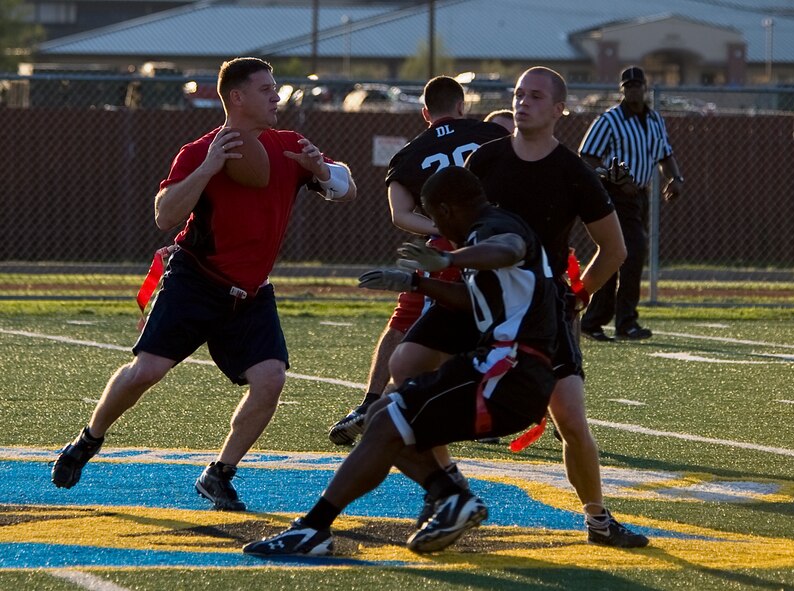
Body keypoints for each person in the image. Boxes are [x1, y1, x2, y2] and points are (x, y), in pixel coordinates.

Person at [50, 57, 357, 511]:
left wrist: (322, 169)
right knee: (147, 371)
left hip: (251, 291)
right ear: (237, 97)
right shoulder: (199, 150)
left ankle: (219, 474)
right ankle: (89, 439)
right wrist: (209, 168)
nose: (276, 95)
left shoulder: (290, 144)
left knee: (270, 380)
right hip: (197, 280)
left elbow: (347, 188)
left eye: (276, 88)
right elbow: (164, 215)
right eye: (266, 89)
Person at [244, 165, 560, 557]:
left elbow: (509, 248)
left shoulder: (491, 229)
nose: (437, 231)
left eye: (435, 218)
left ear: (446, 209)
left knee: (387, 422)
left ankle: (313, 529)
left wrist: (450, 260)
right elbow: (475, 300)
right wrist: (416, 283)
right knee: (384, 417)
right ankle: (449, 495)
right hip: (506, 371)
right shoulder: (486, 230)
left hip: (508, 372)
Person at [398, 66, 646, 547]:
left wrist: (578, 294)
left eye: (535, 96)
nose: (523, 102)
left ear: (558, 109)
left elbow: (613, 248)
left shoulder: (573, 171)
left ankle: (598, 518)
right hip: (480, 295)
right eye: (517, 94)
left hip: (537, 309)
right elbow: (452, 215)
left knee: (570, 417)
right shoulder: (485, 159)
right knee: (405, 364)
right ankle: (450, 489)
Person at [327, 76, 509, 447]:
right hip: (494, 242)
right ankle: (486, 408)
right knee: (501, 322)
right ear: (462, 106)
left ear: (425, 112)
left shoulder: (410, 153)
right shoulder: (489, 133)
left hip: (440, 248)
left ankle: (370, 404)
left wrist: (444, 230)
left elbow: (400, 215)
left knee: (405, 322)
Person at [579, 66, 685, 341]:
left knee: (619, 256)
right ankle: (623, 322)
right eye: (629, 86)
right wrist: (615, 176)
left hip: (638, 194)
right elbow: (587, 158)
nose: (634, 90)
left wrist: (676, 178)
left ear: (646, 88)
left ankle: (595, 321)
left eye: (638, 85)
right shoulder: (609, 121)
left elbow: (665, 154)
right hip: (613, 195)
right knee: (631, 251)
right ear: (621, 89)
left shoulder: (654, 120)